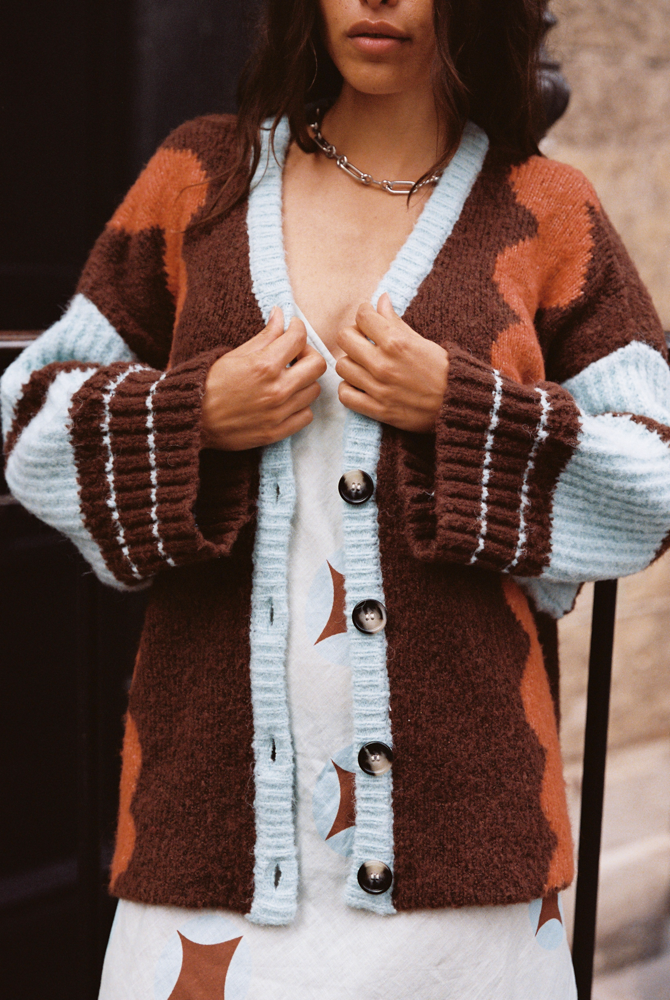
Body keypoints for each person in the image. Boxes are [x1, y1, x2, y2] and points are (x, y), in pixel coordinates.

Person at [3, 0, 670, 997]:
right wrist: (195, 417)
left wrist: (461, 409)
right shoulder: (201, 180)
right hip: (211, 841)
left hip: (465, 855)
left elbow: (650, 477)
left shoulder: (543, 206)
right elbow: (29, 416)